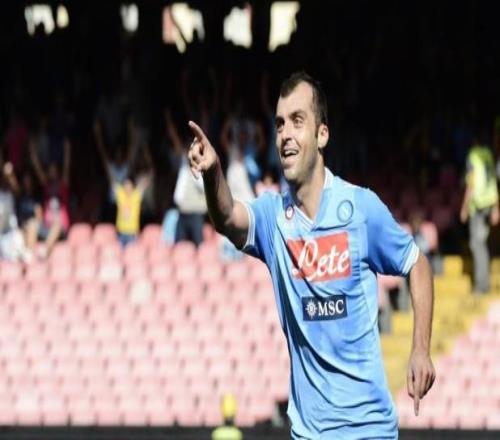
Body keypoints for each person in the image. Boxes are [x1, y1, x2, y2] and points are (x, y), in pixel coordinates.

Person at [188, 71, 435, 438]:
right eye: (279, 124)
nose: (285, 133)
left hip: (369, 429)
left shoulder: (360, 208)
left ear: (322, 135)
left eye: (297, 121)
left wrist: (420, 349)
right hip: (310, 433)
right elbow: (226, 218)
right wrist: (213, 174)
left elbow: (417, 263)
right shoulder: (272, 217)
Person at [460, 139, 499, 294]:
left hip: (478, 206)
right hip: (489, 203)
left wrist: (464, 208)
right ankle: (484, 283)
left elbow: (471, 183)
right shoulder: (488, 154)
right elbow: (493, 181)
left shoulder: (473, 156)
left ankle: (482, 286)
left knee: (477, 245)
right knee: (481, 243)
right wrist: (496, 207)